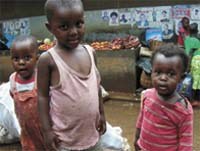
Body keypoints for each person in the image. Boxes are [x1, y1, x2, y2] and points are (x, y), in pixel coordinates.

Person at [37, 0, 106, 151]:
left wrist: (101, 113)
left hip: (92, 135)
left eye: (79, 24)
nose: (74, 31)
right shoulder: (48, 60)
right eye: (64, 27)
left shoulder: (90, 52)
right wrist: (47, 131)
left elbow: (97, 87)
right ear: (50, 28)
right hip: (65, 142)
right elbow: (42, 97)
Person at [134, 43, 193, 151]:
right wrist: (137, 140)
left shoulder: (183, 110)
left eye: (171, 74)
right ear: (151, 72)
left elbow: (186, 142)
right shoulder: (147, 95)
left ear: (181, 78)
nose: (163, 78)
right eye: (158, 72)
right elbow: (141, 120)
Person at [9, 35, 46, 151]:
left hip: (45, 128)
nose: (21, 62)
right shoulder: (12, 80)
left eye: (27, 58)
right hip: (27, 131)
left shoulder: (41, 78)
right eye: (16, 59)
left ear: (37, 59)